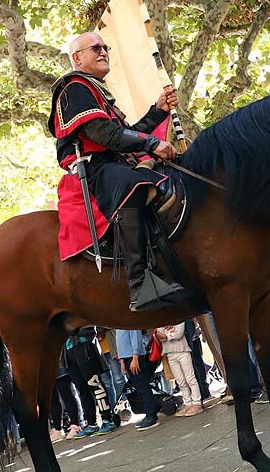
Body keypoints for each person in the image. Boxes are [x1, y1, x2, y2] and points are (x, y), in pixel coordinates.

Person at [49, 32, 186, 311]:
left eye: (105, 47)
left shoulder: (95, 90)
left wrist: (158, 111)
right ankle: (140, 283)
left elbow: (125, 134)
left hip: (113, 161)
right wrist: (152, 143)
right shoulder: (74, 87)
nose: (103, 52)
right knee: (131, 186)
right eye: (95, 48)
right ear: (77, 58)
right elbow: (103, 134)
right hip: (94, 167)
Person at [63, 327, 115, 436]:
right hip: (67, 350)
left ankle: (107, 419)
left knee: (94, 383)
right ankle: (91, 423)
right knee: (81, 388)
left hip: (84, 344)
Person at [116, 329, 160, 430]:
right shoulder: (118, 322)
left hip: (134, 357)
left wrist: (135, 357)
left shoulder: (128, 319)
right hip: (127, 357)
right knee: (139, 387)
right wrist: (122, 361)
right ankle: (149, 411)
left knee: (142, 385)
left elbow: (135, 337)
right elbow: (120, 341)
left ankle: (151, 415)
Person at [155, 324, 203, 416]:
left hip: (183, 351)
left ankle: (197, 403)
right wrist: (170, 334)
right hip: (169, 353)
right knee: (180, 381)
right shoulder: (161, 321)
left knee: (190, 378)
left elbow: (179, 333)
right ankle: (188, 403)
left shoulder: (178, 318)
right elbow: (159, 334)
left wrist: (166, 335)